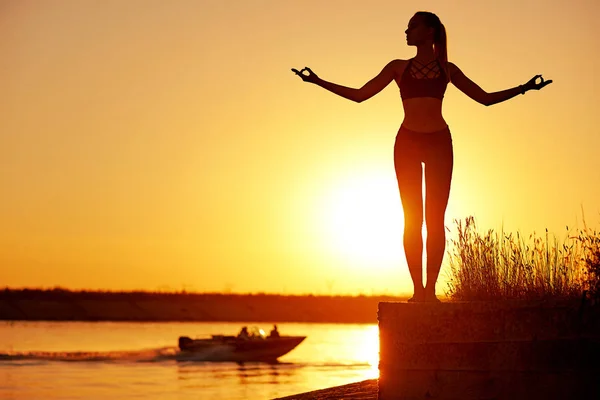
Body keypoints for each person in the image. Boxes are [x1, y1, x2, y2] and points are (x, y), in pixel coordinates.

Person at [292, 11, 552, 302]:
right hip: (407, 143)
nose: (406, 32)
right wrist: (317, 81)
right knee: (412, 220)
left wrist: (525, 88)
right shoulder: (398, 68)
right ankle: (418, 291)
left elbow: (486, 98)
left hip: (440, 143)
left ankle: (431, 292)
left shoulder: (448, 70)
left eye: (411, 27)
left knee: (435, 218)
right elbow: (359, 95)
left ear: (429, 32)